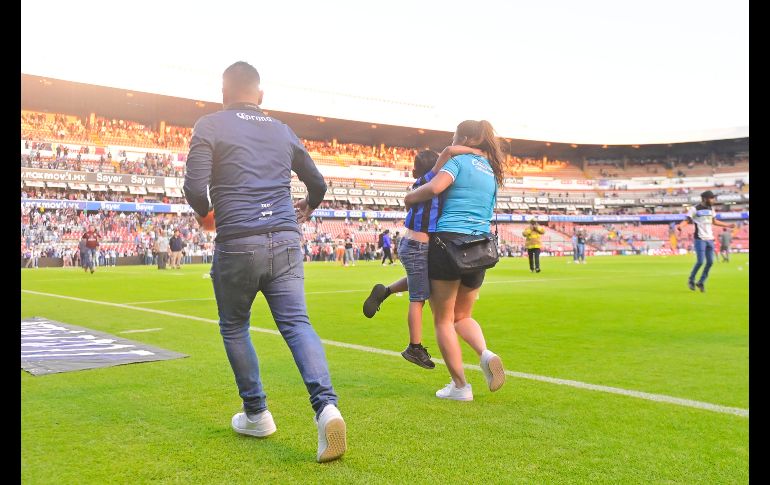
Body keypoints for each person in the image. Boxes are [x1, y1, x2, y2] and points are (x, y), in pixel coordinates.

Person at [183, 61, 345, 462]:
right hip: (287, 239)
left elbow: (193, 185)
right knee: (297, 323)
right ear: (260, 95)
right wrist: (307, 206)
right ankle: (326, 408)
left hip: (238, 240)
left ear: (223, 94)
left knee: (235, 326)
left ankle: (256, 413)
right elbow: (318, 183)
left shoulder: (210, 124)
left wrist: (206, 215)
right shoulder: (282, 129)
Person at [404, 119, 506, 401]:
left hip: (448, 242)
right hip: (480, 247)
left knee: (443, 320)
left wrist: (410, 197)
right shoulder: (491, 170)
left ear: (464, 137)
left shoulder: (459, 162)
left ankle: (460, 386)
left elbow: (436, 187)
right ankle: (486, 354)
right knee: (464, 316)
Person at [363, 147, 481, 369]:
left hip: (415, 244)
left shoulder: (420, 183)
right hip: (417, 245)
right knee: (419, 297)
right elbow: (447, 151)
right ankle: (414, 347)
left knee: (423, 282)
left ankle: (385, 291)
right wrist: (476, 150)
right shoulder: (433, 178)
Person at [677, 190, 736, 292]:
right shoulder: (694, 209)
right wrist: (681, 226)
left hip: (710, 239)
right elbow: (687, 220)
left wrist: (728, 225)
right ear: (705, 199)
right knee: (700, 261)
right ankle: (691, 280)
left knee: (710, 262)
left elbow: (714, 221)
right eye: (711, 198)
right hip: (700, 239)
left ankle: (701, 282)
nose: (713, 200)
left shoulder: (711, 209)